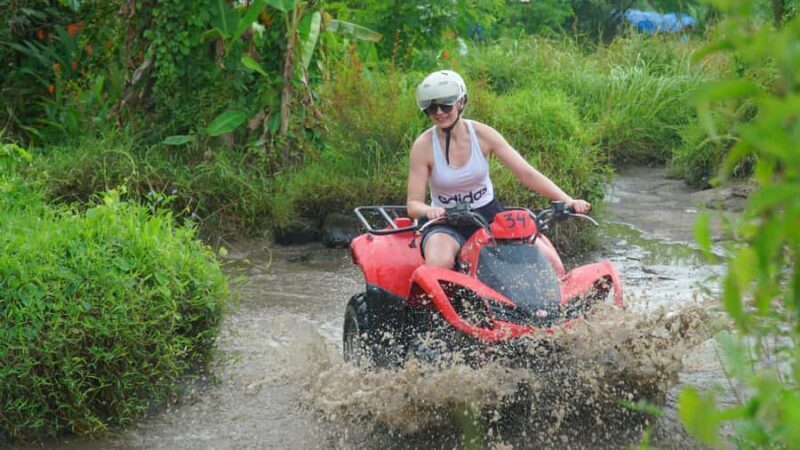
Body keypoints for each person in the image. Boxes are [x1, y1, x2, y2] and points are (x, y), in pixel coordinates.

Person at [406, 69, 592, 269]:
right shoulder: (423, 147)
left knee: (552, 264)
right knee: (439, 262)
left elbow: (526, 173)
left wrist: (568, 201)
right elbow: (413, 205)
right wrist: (432, 211)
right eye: (432, 109)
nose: (440, 113)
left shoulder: (483, 135)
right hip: (446, 221)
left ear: (461, 102)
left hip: (489, 215)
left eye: (445, 105)